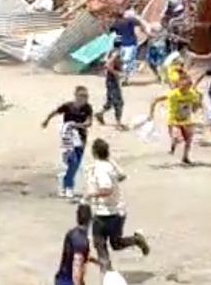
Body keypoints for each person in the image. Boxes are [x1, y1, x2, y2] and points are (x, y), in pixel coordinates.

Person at [85, 138, 150, 271]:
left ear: (94, 152)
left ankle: (107, 275)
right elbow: (122, 176)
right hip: (118, 211)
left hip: (104, 213)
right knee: (116, 243)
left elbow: (106, 188)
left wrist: (91, 194)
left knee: (100, 245)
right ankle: (136, 240)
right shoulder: (110, 164)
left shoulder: (99, 169)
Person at [42, 86, 94, 199]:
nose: (84, 98)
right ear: (76, 95)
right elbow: (55, 112)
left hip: (81, 138)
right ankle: (68, 186)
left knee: (75, 164)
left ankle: (66, 185)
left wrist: (78, 125)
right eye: (82, 95)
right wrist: (46, 121)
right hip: (68, 139)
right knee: (71, 161)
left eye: (86, 96)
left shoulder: (88, 108)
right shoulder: (68, 106)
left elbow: (89, 122)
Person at [148, 71, 201, 164]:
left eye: (187, 86)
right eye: (183, 86)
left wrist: (198, 104)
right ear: (179, 85)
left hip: (186, 120)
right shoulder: (172, 94)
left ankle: (185, 157)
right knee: (178, 137)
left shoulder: (191, 94)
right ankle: (174, 145)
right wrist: (150, 114)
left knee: (188, 139)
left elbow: (195, 107)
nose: (184, 88)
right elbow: (155, 99)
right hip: (173, 120)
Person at [54, 204, 95, 285]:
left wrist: (95, 261)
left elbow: (74, 254)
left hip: (61, 278)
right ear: (90, 219)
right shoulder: (82, 240)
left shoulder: (71, 233)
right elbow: (77, 265)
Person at [109, 11, 148, 84]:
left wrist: (113, 46)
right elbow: (137, 31)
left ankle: (125, 78)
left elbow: (113, 34)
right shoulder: (133, 21)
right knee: (127, 61)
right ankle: (136, 66)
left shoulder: (117, 22)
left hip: (121, 44)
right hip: (130, 44)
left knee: (125, 61)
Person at [95, 43, 125, 130]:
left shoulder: (111, 51)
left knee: (110, 102)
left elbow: (105, 61)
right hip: (112, 81)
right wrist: (117, 73)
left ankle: (100, 114)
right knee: (119, 103)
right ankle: (118, 123)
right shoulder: (116, 53)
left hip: (110, 81)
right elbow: (107, 65)